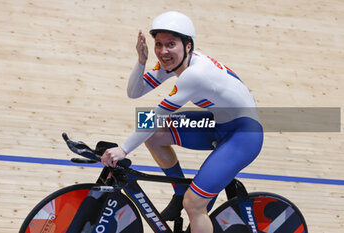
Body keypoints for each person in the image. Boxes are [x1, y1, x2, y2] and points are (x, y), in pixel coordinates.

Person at [101, 11, 263, 233]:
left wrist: (123, 149)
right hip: (218, 124)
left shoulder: (194, 75)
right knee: (154, 134)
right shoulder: (175, 62)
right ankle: (179, 192)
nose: (163, 51)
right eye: (158, 44)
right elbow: (134, 92)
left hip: (243, 136)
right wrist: (141, 61)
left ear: (188, 46)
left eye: (170, 44)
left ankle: (186, 201)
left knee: (194, 204)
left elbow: (157, 113)